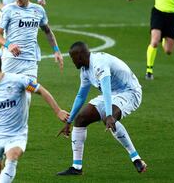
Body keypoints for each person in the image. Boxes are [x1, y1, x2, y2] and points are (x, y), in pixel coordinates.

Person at [0, 52, 69, 183]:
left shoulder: (19, 81)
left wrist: (58, 111)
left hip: (17, 134)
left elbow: (41, 90)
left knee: (12, 157)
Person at [56, 41, 147, 176]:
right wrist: (69, 121)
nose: (72, 61)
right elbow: (81, 95)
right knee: (80, 119)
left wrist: (109, 114)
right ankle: (76, 167)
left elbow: (106, 88)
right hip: (112, 93)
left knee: (108, 118)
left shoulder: (99, 63)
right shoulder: (85, 70)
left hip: (130, 92)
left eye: (73, 58)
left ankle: (136, 159)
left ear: (80, 56)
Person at [0, 0, 63, 80]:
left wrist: (56, 51)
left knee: (28, 92)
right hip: (11, 60)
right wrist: (8, 45)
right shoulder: (8, 10)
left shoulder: (39, 10)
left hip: (30, 61)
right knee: (7, 92)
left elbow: (47, 31)